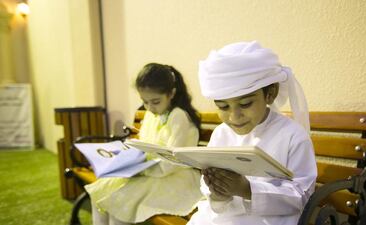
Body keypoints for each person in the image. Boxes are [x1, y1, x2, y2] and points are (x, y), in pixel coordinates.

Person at [187, 41, 317, 225]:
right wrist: (217, 191)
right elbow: (207, 188)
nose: (234, 116)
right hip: (221, 218)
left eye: (245, 104)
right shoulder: (221, 133)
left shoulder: (293, 136)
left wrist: (247, 189)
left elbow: (301, 196)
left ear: (270, 93)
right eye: (223, 107)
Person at [86, 63, 203, 225]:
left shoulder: (179, 117)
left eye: (155, 101)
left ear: (171, 94)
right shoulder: (151, 114)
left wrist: (141, 168)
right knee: (100, 191)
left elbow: (172, 162)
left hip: (175, 178)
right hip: (150, 172)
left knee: (118, 201)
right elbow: (144, 145)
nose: (150, 108)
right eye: (145, 102)